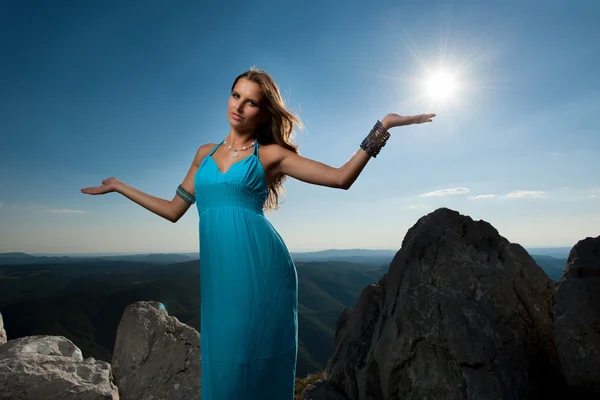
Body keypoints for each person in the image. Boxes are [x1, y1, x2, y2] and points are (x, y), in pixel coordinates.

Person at [81, 67, 435, 399]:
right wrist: (119, 186)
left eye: (251, 101)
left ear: (264, 113)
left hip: (262, 270)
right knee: (225, 363)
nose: (240, 106)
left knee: (251, 363)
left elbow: (340, 178)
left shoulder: (270, 155)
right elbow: (173, 210)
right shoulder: (204, 154)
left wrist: (384, 126)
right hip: (220, 275)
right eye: (236, 96)